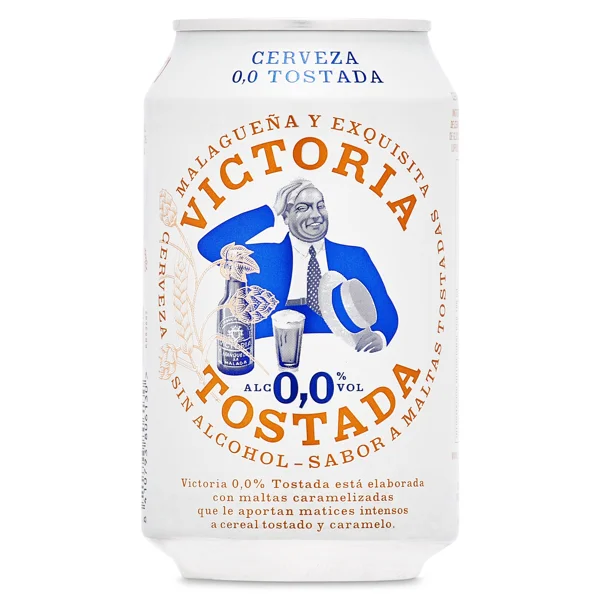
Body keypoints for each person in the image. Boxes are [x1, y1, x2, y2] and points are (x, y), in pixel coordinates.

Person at [197, 180, 398, 352]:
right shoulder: (261, 258)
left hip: (340, 352)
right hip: (273, 355)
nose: (316, 215)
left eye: (320, 206)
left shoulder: (355, 257)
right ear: (285, 217)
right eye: (303, 208)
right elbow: (210, 246)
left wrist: (380, 337)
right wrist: (271, 212)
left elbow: (385, 309)